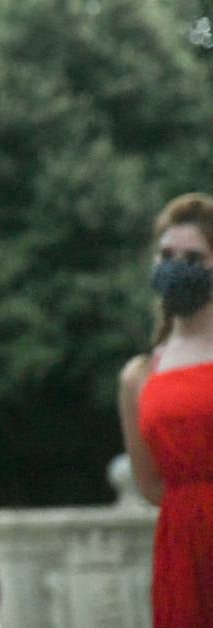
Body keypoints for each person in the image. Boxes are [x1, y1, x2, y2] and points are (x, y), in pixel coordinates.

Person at [118, 192, 213, 628]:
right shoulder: (140, 375)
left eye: (193, 256)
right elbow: (150, 484)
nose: (178, 266)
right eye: (167, 254)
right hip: (181, 546)